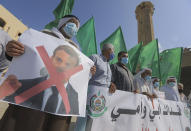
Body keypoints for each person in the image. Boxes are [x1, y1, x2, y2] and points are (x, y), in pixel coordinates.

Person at [0, 15, 96, 131]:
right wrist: (10, 52)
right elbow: (24, 58)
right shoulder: (41, 36)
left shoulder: (75, 49)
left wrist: (88, 73)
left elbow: (76, 76)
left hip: (59, 106)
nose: (74, 27)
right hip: (32, 100)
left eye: (77, 26)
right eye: (72, 22)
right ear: (62, 23)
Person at [3, 45, 80, 114]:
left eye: (68, 64)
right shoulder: (23, 85)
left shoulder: (74, 96)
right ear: (50, 59)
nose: (61, 66)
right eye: (59, 60)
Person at [75, 43, 116, 131]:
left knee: (94, 120)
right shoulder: (95, 58)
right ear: (107, 50)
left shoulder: (108, 64)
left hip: (102, 96)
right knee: (85, 118)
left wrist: (111, 84)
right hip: (91, 93)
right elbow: (85, 72)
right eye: (113, 51)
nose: (114, 53)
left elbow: (106, 80)